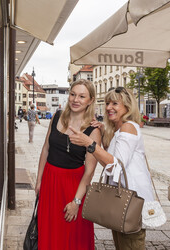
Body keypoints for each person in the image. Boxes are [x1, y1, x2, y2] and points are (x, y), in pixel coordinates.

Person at [69, 86, 154, 250]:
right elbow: (110, 159)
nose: (108, 107)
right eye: (108, 103)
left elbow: (116, 165)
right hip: (122, 199)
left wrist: (89, 143)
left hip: (131, 200)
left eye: (115, 103)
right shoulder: (120, 128)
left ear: (127, 107)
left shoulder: (129, 127)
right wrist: (103, 133)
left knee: (131, 244)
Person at [35, 79, 101, 250]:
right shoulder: (57, 116)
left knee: (71, 235)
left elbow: (90, 171)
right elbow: (45, 150)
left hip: (73, 187)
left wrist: (76, 202)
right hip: (50, 183)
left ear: (90, 100)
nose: (75, 100)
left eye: (81, 96)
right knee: (49, 231)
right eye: (72, 94)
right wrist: (39, 180)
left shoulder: (93, 131)